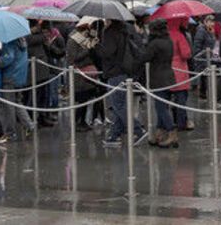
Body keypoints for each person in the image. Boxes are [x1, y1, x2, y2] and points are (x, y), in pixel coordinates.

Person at [97, 19, 147, 147]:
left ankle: (138, 130)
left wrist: (96, 46)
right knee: (120, 105)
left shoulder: (110, 31)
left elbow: (107, 52)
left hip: (114, 71)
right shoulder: (126, 29)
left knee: (118, 105)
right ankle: (114, 136)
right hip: (126, 70)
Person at [139, 19, 178, 148]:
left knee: (160, 108)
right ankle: (160, 132)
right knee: (162, 106)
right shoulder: (168, 41)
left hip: (158, 78)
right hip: (169, 76)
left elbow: (145, 58)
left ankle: (172, 132)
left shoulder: (154, 44)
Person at [0, 37, 34, 140]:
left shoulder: (10, 42)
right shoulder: (21, 41)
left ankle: (10, 133)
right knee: (17, 102)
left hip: (10, 77)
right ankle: (29, 125)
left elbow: (7, 58)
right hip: (19, 76)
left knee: (8, 106)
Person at [66, 17, 100, 132]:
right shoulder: (73, 40)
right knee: (81, 99)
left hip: (86, 75)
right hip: (79, 75)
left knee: (86, 98)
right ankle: (78, 122)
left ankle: (82, 121)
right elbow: (72, 59)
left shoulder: (84, 40)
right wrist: (88, 50)